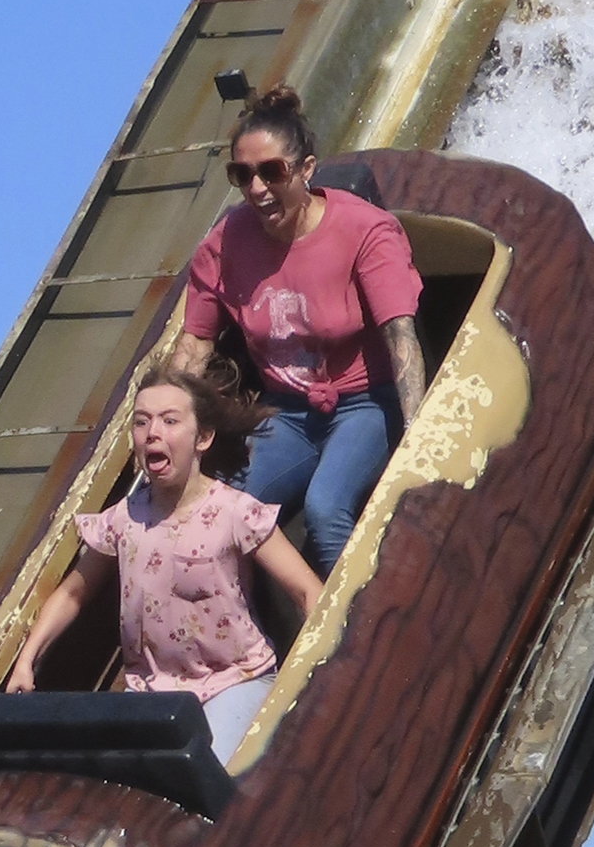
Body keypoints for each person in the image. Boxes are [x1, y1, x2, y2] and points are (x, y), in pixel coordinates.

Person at [7, 359, 322, 760]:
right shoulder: (123, 519)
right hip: (152, 693)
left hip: (234, 681)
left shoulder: (236, 512)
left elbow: (308, 591)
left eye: (169, 421)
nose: (153, 432)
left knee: (211, 775)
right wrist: (26, 661)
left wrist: (324, 673)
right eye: (142, 422)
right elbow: (72, 595)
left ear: (202, 438)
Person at [169, 83, 425, 572]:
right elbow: (195, 344)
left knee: (326, 509)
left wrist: (417, 433)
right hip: (286, 413)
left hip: (366, 405)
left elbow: (400, 337)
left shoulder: (364, 230)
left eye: (271, 172)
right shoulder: (225, 244)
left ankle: (354, 636)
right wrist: (165, 427)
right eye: (242, 175)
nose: (257, 189)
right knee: (225, 516)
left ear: (306, 170)